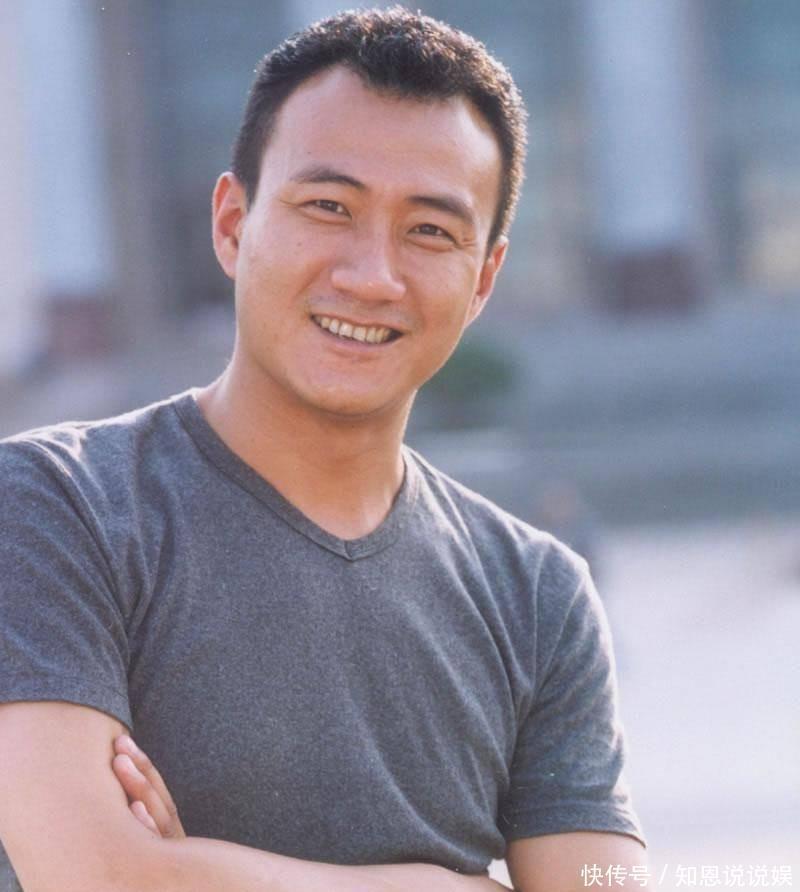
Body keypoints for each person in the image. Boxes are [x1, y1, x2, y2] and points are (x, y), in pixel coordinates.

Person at [0, 8, 647, 891]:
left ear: (484, 279)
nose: (371, 276)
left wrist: (186, 872)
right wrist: (441, 883)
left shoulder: (538, 596)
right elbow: (93, 874)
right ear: (233, 224)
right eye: (328, 208)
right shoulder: (56, 506)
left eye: (430, 230)